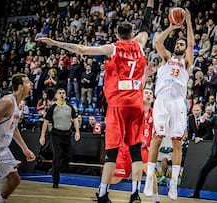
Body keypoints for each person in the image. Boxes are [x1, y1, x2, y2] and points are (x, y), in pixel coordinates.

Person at [38, 0, 153, 202]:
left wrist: (56, 43)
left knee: (112, 151)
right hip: (136, 103)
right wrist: (150, 4)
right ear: (131, 32)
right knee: (136, 150)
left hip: (119, 104)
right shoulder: (141, 43)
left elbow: (81, 50)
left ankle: (103, 193)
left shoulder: (113, 48)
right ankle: (135, 193)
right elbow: (146, 25)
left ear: (117, 34)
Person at [143, 8, 194, 201]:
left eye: (183, 44)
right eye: (178, 43)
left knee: (177, 143)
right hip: (162, 101)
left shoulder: (187, 63)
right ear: (174, 46)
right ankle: (150, 179)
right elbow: (157, 41)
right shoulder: (166, 58)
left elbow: (191, 43)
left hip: (178, 103)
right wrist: (172, 27)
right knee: (156, 138)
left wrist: (188, 22)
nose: (181, 45)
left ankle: (173, 184)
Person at [0, 73, 36, 202]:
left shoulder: (20, 104)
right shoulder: (7, 102)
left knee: (15, 180)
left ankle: (0, 201)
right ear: (20, 87)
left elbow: (13, 128)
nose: (31, 85)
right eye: (27, 83)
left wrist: (25, 149)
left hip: (2, 148)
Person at [39, 88, 80, 188]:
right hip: (56, 134)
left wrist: (77, 132)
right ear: (56, 95)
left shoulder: (70, 107)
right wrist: (42, 136)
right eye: (60, 93)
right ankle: (55, 181)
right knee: (57, 155)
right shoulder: (53, 107)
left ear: (65, 95)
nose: (62, 94)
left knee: (68, 156)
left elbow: (75, 120)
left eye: (63, 93)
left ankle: (53, 170)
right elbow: (45, 122)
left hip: (67, 134)